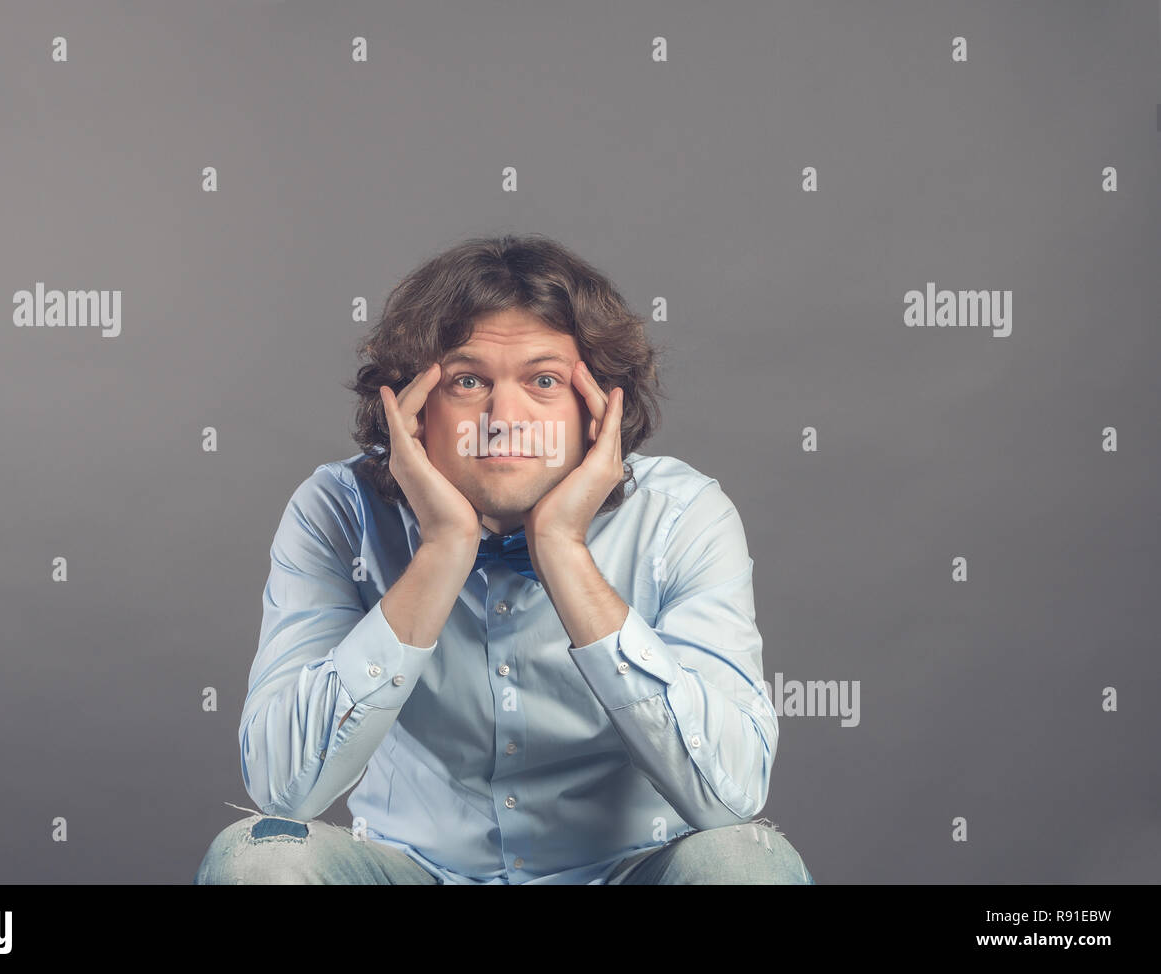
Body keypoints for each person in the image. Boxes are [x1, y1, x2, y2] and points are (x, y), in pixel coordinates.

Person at [194, 233, 815, 885]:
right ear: (411, 408)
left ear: (598, 409)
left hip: (624, 873)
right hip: (416, 872)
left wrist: (563, 551)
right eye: (467, 381)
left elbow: (731, 797)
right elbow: (284, 792)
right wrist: (442, 550)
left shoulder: (682, 515)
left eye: (544, 380)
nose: (505, 417)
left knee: (745, 865)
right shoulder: (338, 510)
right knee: (257, 859)